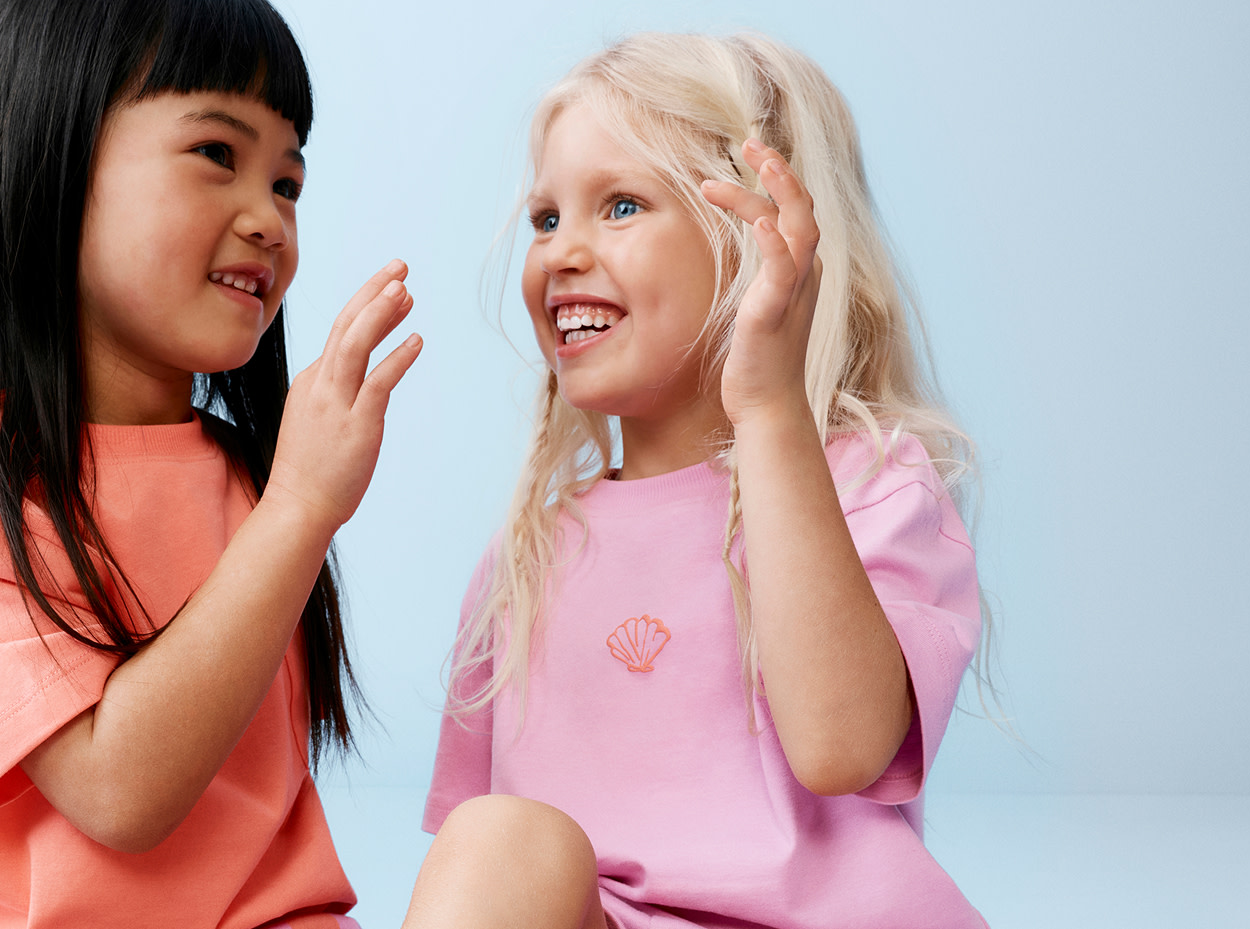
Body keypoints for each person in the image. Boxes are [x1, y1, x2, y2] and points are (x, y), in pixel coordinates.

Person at [0, 1, 421, 926]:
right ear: (25, 164)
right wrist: (299, 509)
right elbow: (121, 793)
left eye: (287, 182)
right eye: (218, 154)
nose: (268, 220)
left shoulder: (247, 472)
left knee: (523, 846)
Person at [408, 32, 989, 929]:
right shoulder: (524, 557)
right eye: (546, 218)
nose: (562, 251)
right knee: (495, 843)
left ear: (758, 241)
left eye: (623, 205)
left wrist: (769, 411)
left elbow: (843, 748)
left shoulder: (869, 485)